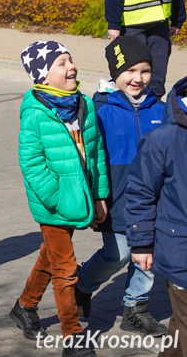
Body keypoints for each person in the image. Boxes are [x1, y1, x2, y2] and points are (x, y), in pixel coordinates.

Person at [9, 40, 109, 357]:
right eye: (62, 64)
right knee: (65, 268)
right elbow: (32, 165)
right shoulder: (36, 113)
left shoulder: (85, 105)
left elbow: (97, 155)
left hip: (82, 198)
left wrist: (100, 196)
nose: (71, 68)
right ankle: (72, 335)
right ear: (43, 76)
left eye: (71, 60)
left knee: (51, 255)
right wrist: (57, 199)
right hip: (52, 204)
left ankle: (25, 305)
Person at [74, 37, 167, 336]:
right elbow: (88, 157)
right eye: (130, 71)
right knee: (119, 254)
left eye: (145, 71)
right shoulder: (98, 109)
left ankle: (135, 309)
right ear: (116, 72)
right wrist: (96, 196)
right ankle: (82, 285)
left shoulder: (162, 110)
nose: (138, 78)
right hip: (115, 197)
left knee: (147, 255)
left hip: (152, 202)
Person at [125, 74, 187, 357]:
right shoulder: (163, 139)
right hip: (180, 248)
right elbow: (141, 193)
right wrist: (140, 244)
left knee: (181, 325)